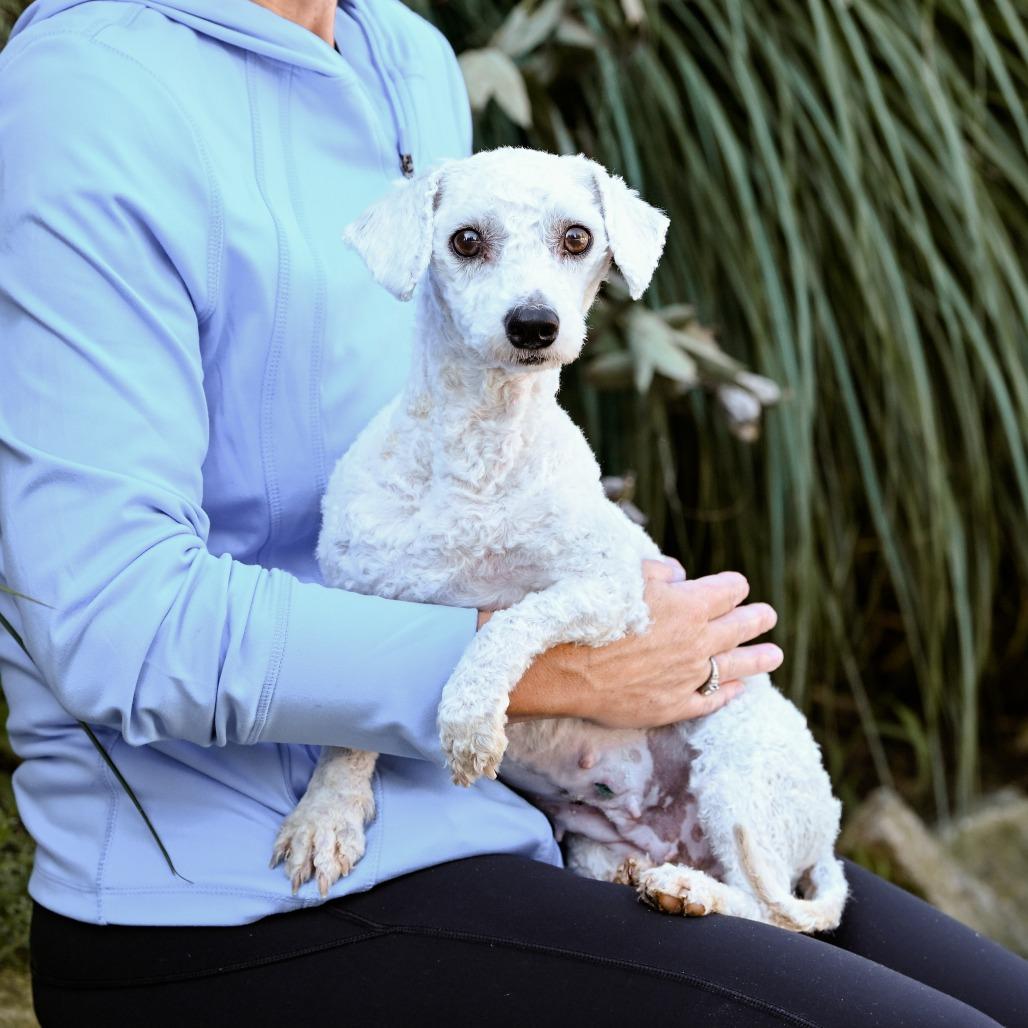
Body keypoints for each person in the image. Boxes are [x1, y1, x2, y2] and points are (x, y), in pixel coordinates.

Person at [0, 1, 1025, 1024]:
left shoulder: (405, 53)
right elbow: (109, 619)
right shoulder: (85, 93)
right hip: (235, 894)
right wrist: (557, 671)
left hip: (519, 820)